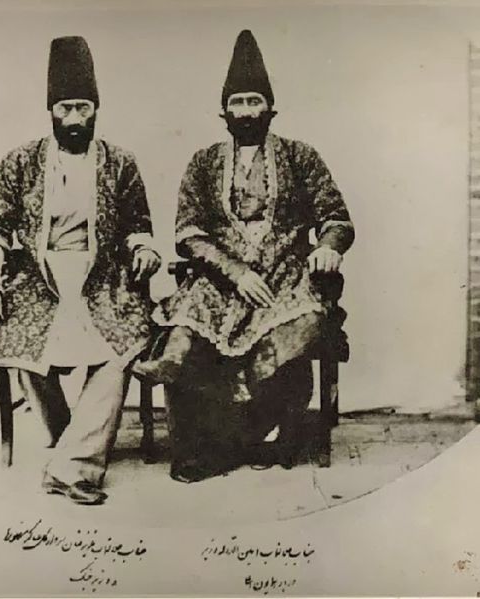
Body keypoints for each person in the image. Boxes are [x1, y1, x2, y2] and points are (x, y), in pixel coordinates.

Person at [133, 30, 354, 482]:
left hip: (286, 276)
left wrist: (328, 247)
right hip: (220, 279)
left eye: (256, 102)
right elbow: (188, 233)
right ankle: (202, 448)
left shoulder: (301, 157)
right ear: (224, 112)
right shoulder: (203, 162)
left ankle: (259, 435)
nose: (248, 111)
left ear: (270, 109)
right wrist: (234, 272)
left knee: (295, 330)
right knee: (185, 336)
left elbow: (336, 217)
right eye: (238, 103)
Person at [0, 36, 161, 505]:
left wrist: (143, 247)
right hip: (39, 279)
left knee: (119, 351)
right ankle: (69, 441)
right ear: (51, 111)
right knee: (20, 338)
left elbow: (138, 224)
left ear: (96, 110)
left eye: (83, 108)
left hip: (104, 279)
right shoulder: (20, 161)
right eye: (65, 109)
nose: (74, 119)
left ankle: (73, 469)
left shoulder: (120, 163)